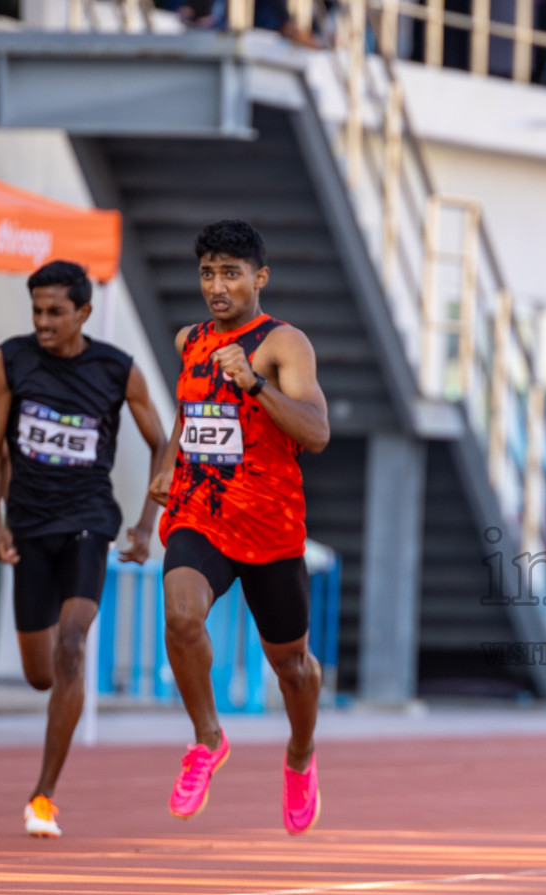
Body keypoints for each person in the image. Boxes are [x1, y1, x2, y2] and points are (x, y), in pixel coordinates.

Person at [148, 219, 330, 835]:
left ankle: (300, 755)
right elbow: (190, 413)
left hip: (270, 523)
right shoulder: (188, 340)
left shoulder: (284, 344)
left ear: (260, 277)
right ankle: (207, 740)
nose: (217, 286)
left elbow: (316, 431)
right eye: (207, 273)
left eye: (230, 272)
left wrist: (253, 382)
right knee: (180, 614)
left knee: (293, 668)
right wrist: (168, 469)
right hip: (200, 510)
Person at [0, 260, 168, 837]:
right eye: (36, 310)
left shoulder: (117, 369)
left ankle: (43, 795)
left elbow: (162, 443)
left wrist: (144, 525)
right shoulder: (11, 358)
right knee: (41, 675)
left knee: (71, 646)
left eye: (55, 312)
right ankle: (46, 768)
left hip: (89, 518)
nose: (42, 322)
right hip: (30, 524)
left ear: (83, 312)